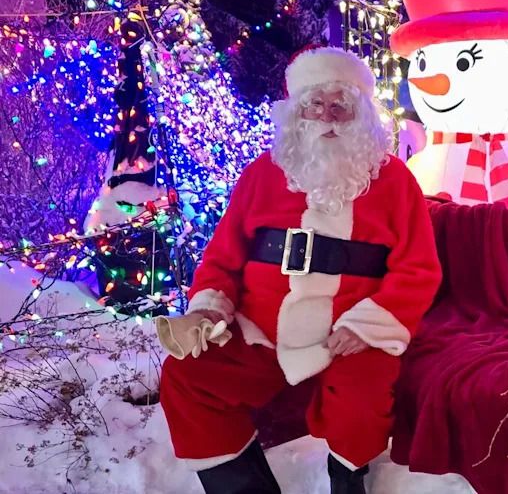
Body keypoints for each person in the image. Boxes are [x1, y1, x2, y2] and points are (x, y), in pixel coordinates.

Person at [157, 46, 442, 494]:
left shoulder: (394, 181)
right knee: (187, 377)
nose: (326, 116)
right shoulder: (261, 176)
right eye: (315, 103)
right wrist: (212, 308)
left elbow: (419, 269)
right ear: (296, 111)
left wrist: (369, 326)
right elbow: (221, 259)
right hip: (260, 329)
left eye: (339, 106)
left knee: (362, 400)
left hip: (348, 332)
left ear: (360, 114)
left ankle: (347, 485)